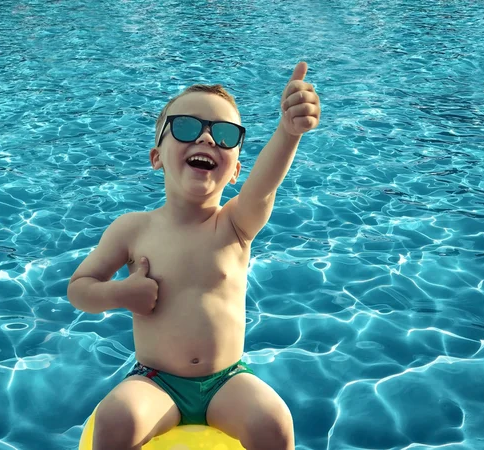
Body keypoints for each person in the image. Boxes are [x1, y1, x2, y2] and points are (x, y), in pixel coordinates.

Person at [67, 61, 321, 450]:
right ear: (156, 157)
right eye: (186, 127)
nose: (206, 139)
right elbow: (80, 289)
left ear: (236, 170)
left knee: (274, 421)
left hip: (226, 380)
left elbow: (266, 184)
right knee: (116, 418)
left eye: (223, 133)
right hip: (156, 380)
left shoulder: (236, 224)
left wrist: (288, 133)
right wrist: (120, 293)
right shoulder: (132, 229)